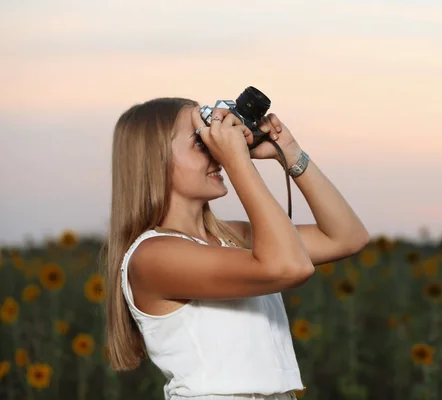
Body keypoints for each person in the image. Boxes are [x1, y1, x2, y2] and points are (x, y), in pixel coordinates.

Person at [103, 96, 369, 400]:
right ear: (155, 159)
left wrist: (291, 154)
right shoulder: (152, 256)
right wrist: (236, 160)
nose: (216, 155)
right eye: (201, 143)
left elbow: (347, 237)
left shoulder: (231, 237)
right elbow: (290, 267)